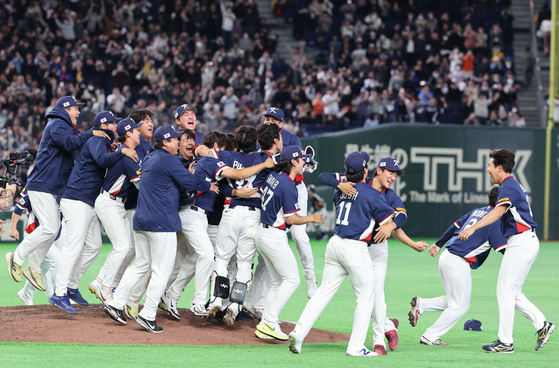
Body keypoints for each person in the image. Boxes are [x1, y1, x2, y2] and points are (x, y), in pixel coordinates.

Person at [104, 125, 215, 333]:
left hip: (142, 220)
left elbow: (171, 182)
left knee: (140, 264)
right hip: (161, 222)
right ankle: (148, 314)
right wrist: (207, 185)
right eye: (175, 140)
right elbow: (188, 181)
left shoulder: (149, 157)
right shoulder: (168, 159)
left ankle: (116, 302)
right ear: (165, 142)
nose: (177, 143)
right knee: (161, 271)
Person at [288, 151, 396, 357]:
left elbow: (325, 176)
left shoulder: (341, 188)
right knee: (366, 297)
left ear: (346, 172)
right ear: (366, 170)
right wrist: (392, 225)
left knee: (322, 293)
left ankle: (298, 332)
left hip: (335, 244)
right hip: (355, 248)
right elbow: (395, 218)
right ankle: (356, 347)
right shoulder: (372, 194)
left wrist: (339, 182)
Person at [319, 156, 427, 354]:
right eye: (390, 172)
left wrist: (393, 227)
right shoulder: (359, 181)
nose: (393, 177)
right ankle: (388, 325)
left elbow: (402, 216)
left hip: (377, 248)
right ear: (378, 170)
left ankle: (379, 342)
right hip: (355, 247)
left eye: (396, 174)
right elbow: (323, 176)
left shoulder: (391, 196)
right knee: (364, 297)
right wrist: (340, 184)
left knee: (376, 293)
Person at [6, 96, 109, 292]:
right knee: (50, 228)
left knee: (51, 229)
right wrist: (91, 133)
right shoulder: (57, 123)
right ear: (66, 108)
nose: (79, 112)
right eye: (76, 109)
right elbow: (70, 144)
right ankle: (17, 257)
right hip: (42, 184)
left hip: (49, 186)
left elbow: (75, 141)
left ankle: (34, 267)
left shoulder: (63, 125)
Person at [458, 149, 555, 353]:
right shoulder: (509, 185)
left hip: (522, 242)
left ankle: (505, 343)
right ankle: (542, 325)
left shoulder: (508, 186)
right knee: (513, 292)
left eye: (490, 165)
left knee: (504, 290)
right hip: (523, 241)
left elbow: (498, 211)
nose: (488, 169)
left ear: (499, 168)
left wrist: (473, 227)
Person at [50, 111, 137, 314]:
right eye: (114, 123)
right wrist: (121, 152)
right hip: (76, 199)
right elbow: (101, 160)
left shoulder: (104, 143)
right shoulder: (97, 139)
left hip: (86, 201)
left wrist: (115, 150)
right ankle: (59, 293)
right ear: (105, 125)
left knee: (95, 246)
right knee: (73, 247)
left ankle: (71, 285)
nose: (116, 126)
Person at [409, 187, 507, 346]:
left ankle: (423, 304)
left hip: (447, 255)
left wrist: (439, 244)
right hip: (457, 261)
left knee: (455, 301)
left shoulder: (477, 211)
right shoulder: (494, 220)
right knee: (460, 305)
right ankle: (430, 336)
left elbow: (455, 226)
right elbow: (503, 249)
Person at [254, 146, 324, 341]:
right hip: (274, 236)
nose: (304, 162)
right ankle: (269, 321)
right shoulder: (288, 185)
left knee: (278, 282)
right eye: (302, 159)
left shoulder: (274, 176)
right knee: (292, 280)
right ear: (293, 162)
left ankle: (266, 323)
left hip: (263, 232)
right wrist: (311, 218)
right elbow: (291, 219)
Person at [262, 107, 318, 299]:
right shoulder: (258, 137)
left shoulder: (291, 139)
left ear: (280, 123)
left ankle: (311, 278)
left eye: (273, 119)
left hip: (294, 188)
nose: (269, 121)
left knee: (298, 235)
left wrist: (306, 162)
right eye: (267, 118)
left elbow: (303, 167)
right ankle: (256, 299)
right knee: (267, 244)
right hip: (271, 188)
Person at [89, 118, 143, 304]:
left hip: (116, 203)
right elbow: (142, 186)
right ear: (128, 133)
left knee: (124, 246)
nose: (139, 131)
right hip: (110, 202)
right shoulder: (127, 155)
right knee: (123, 247)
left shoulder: (128, 152)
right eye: (136, 129)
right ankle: (105, 287)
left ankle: (99, 281)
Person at [9, 187, 63, 305]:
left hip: (50, 238)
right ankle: (59, 296)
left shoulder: (62, 191)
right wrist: (13, 228)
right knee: (59, 261)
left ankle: (26, 294)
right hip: (36, 235)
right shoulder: (38, 189)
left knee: (43, 267)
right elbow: (19, 206)